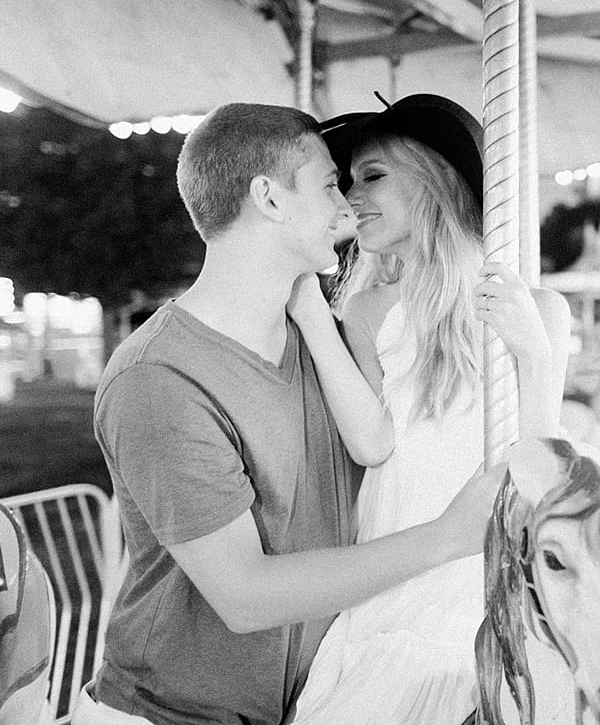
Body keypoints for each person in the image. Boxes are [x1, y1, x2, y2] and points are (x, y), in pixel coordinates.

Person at [78, 103, 509, 725]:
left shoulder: (325, 344)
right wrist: (446, 537)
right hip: (179, 714)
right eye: (331, 183)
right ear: (270, 199)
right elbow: (246, 596)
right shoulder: (160, 379)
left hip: (317, 698)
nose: (346, 206)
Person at [288, 94, 570, 724]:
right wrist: (311, 313)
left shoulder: (536, 307)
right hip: (398, 565)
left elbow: (542, 471)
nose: (352, 196)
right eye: (349, 180)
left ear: (435, 180)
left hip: (478, 581)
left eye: (373, 176)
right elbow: (372, 445)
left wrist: (532, 352)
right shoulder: (365, 311)